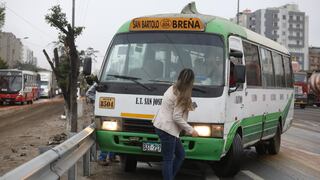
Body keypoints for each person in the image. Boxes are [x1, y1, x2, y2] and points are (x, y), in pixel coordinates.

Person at [153, 68, 199, 180]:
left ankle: (170, 177)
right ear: (190, 82)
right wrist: (191, 130)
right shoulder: (181, 96)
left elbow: (174, 107)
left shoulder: (172, 88)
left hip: (161, 126)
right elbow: (176, 116)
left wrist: (189, 106)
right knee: (168, 159)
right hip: (167, 129)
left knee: (180, 155)